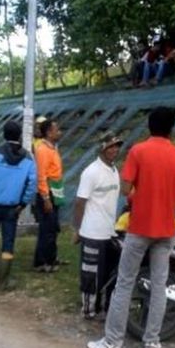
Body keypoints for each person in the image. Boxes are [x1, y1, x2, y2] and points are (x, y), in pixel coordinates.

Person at [87, 107, 175, 348]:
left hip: (139, 229)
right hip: (166, 230)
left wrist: (142, 195)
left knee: (125, 282)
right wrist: (168, 196)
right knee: (159, 285)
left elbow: (126, 188)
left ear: (149, 127)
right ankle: (152, 341)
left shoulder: (138, 151)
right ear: (171, 129)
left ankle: (113, 342)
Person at [0, 120, 37, 291]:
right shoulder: (28, 158)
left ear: (4, 135)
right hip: (12, 208)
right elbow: (31, 184)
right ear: (19, 136)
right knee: (8, 244)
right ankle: (3, 282)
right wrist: (22, 203)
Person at [72, 133, 123, 319]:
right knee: (90, 275)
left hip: (109, 232)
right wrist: (77, 229)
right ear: (101, 148)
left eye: (117, 146)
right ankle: (88, 309)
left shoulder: (114, 170)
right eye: (110, 146)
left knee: (108, 273)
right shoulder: (91, 172)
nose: (114, 150)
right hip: (92, 233)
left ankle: (104, 307)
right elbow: (79, 202)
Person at [34, 118, 65, 273]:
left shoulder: (52, 148)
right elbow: (41, 176)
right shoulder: (42, 150)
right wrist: (46, 198)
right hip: (48, 193)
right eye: (56, 129)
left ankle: (51, 258)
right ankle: (42, 262)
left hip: (56, 190)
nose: (59, 132)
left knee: (52, 228)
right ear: (48, 132)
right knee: (47, 228)